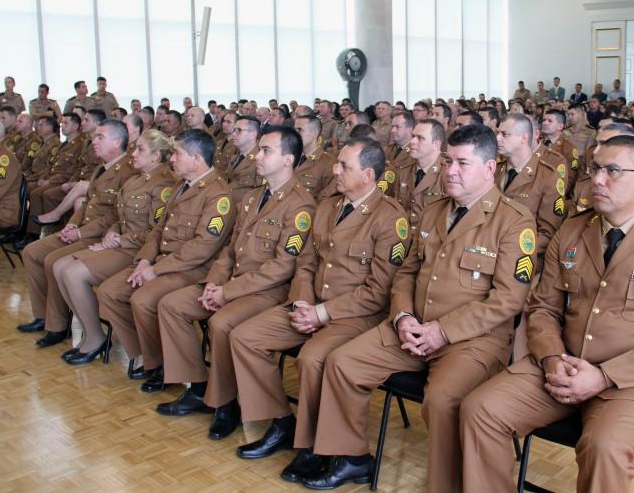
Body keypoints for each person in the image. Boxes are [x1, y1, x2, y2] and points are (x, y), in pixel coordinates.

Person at [460, 135, 634, 493]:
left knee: (604, 446)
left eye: (613, 171)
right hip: (561, 366)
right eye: (596, 169)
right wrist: (550, 359)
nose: (598, 179)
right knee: (479, 409)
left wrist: (603, 376)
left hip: (633, 381)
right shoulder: (574, 229)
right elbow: (542, 308)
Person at [303, 125, 534, 491]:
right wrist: (404, 315)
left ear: (490, 168)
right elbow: (407, 271)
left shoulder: (513, 221)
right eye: (448, 162)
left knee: (442, 399)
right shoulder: (433, 210)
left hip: (472, 340)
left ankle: (446, 485)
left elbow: (508, 299)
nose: (451, 171)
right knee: (343, 362)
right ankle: (352, 458)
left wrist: (442, 332)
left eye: (463, 163)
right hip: (413, 327)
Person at [227, 137, 409, 478]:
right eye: (337, 163)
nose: (335, 170)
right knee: (245, 336)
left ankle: (311, 446)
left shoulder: (390, 219)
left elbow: (378, 292)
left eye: (344, 166)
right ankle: (281, 422)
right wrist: (303, 301)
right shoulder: (328, 206)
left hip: (355, 315)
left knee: (313, 357)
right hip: (312, 303)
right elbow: (306, 263)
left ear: (368, 175)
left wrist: (322, 314)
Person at [154, 127, 317, 440]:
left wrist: (226, 293)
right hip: (232, 283)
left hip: (267, 291)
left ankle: (229, 404)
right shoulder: (255, 196)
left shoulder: (300, 206)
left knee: (222, 322)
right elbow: (230, 250)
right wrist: (214, 284)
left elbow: (281, 268)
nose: (257, 155)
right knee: (172, 304)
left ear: (287, 159)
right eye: (258, 149)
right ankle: (199, 388)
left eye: (266, 150)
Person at [96, 129, 235, 392]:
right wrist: (145, 261)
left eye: (177, 154)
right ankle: (154, 357)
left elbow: (202, 249)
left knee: (142, 299)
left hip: (193, 269)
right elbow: (158, 230)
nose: (171, 159)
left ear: (196, 158)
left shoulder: (218, 196)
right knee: (110, 292)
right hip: (162, 262)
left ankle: (179, 373)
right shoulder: (180, 186)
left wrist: (156, 270)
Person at [50, 130, 176, 364]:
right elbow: (121, 217)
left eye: (140, 150)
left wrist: (120, 240)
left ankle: (95, 338)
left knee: (73, 273)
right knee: (59, 266)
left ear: (156, 156)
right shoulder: (135, 179)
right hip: (120, 242)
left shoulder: (164, 184)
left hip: (138, 250)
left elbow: (157, 230)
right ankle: (90, 331)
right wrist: (113, 231)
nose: (133, 154)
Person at [17, 119, 135, 340]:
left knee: (53, 260)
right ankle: (42, 316)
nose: (94, 141)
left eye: (101, 137)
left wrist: (80, 232)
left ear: (117, 141)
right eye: (95, 136)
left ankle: (58, 324)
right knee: (32, 252)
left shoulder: (128, 170)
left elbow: (116, 214)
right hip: (81, 228)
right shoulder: (102, 167)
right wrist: (72, 222)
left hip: (99, 235)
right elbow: (89, 202)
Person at [496, 113, 565, 257]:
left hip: (522, 257)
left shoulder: (548, 176)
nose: (498, 138)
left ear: (524, 138)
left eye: (504, 134)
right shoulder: (494, 171)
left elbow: (548, 233)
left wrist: (507, 250)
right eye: (498, 133)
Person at [393, 119, 447, 230]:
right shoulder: (403, 169)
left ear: (436, 144)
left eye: (420, 138)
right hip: (404, 236)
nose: (412, 141)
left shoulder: (447, 174)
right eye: (413, 136)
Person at [292, 114, 336, 199]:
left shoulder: (329, 163)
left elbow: (327, 199)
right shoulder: (289, 158)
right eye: (295, 130)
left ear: (314, 133)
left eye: (300, 130)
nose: (295, 134)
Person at [223, 116, 263, 204]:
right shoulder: (234, 158)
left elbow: (259, 196)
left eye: (238, 130)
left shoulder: (261, 159)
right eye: (233, 130)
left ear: (252, 134)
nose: (233, 134)